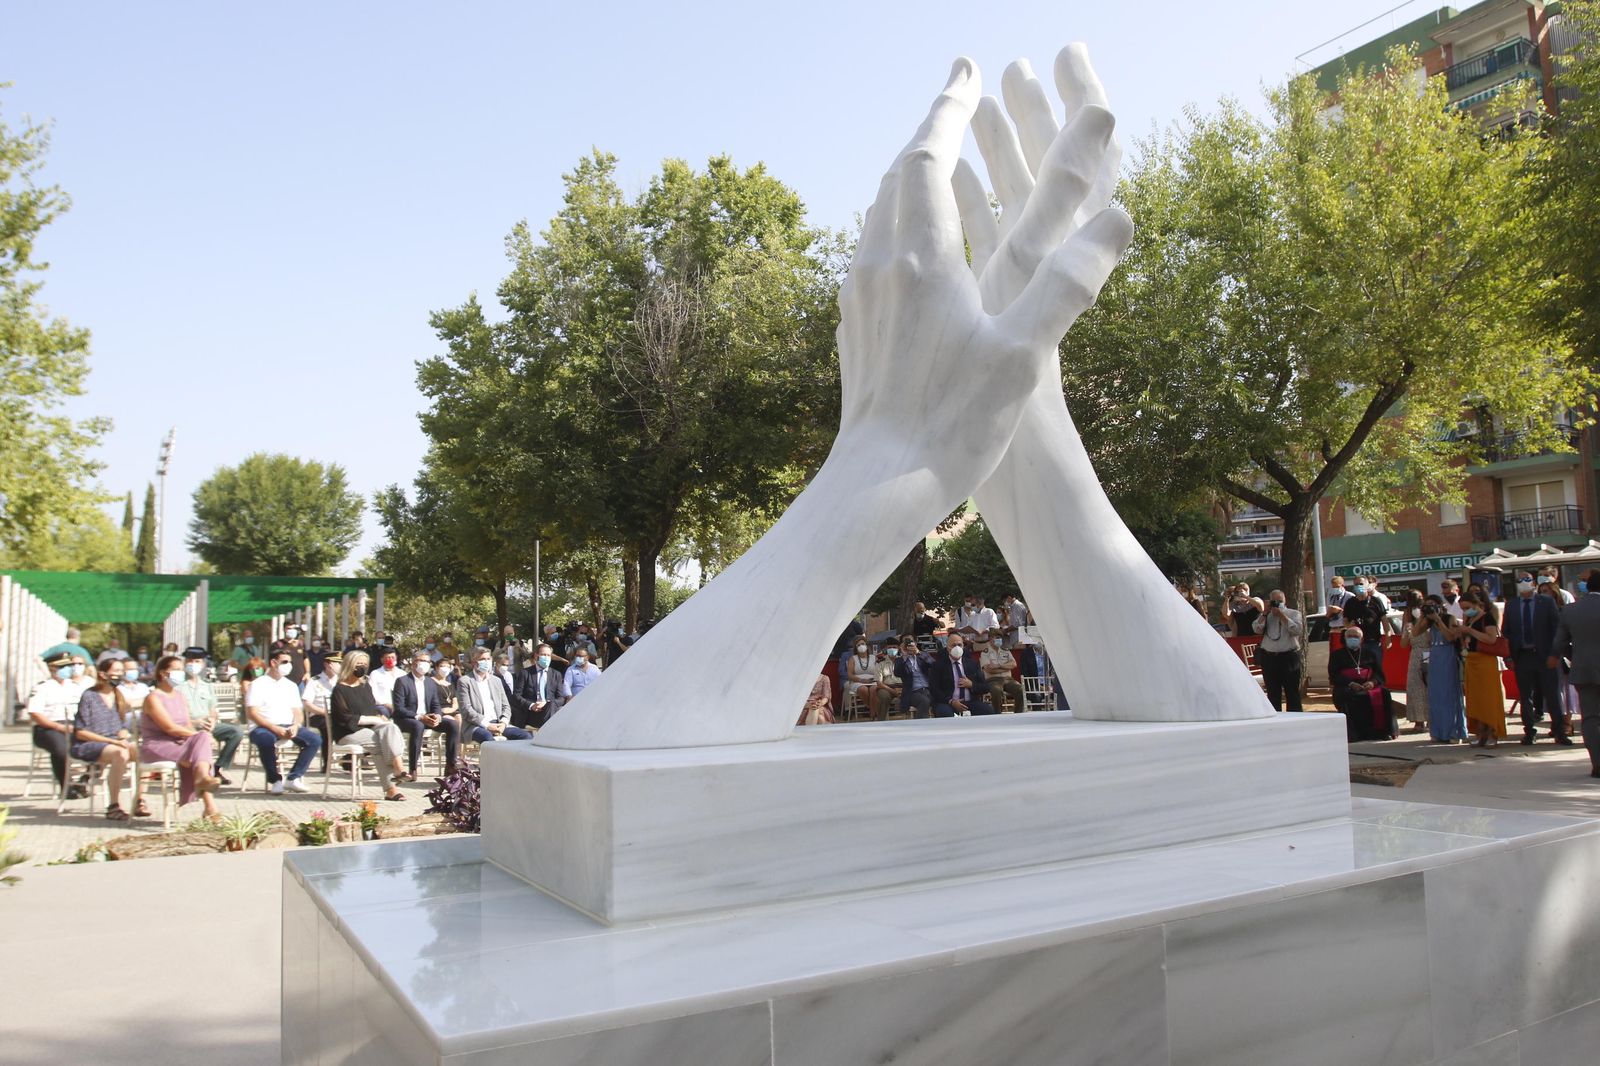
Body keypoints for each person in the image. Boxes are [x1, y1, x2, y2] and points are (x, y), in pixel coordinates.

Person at [139, 655, 222, 821]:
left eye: (181, 669)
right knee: (199, 748)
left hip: (178, 743)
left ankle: (204, 786)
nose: (180, 673)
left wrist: (198, 738)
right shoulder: (153, 697)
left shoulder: (179, 696)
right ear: (163, 673)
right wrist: (196, 737)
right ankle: (209, 803)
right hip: (157, 745)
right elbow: (169, 727)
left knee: (201, 742)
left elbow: (187, 725)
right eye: (176, 669)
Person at [71, 659, 147, 820]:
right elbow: (81, 732)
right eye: (116, 671)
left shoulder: (118, 695)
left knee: (145, 752)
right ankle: (113, 805)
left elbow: (120, 724)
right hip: (88, 744)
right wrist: (113, 742)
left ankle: (139, 800)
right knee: (120, 753)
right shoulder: (89, 696)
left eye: (121, 671)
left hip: (114, 741)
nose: (120, 675)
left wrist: (123, 732)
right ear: (103, 674)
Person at [326, 651, 406, 801]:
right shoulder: (339, 689)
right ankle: (391, 788)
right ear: (349, 665)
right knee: (379, 744)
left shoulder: (366, 686)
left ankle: (398, 766)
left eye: (364, 664)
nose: (362, 667)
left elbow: (370, 708)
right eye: (358, 664)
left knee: (391, 728)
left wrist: (379, 716)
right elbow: (344, 717)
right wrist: (372, 719)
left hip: (368, 728)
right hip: (347, 731)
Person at [1502, 570, 1568, 746]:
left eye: (1526, 579)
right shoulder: (1512, 605)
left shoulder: (1546, 602)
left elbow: (1557, 629)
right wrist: (1508, 657)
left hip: (1546, 656)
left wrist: (1555, 654)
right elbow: (1506, 632)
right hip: (1522, 656)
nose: (1523, 582)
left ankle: (1559, 732)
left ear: (1533, 583)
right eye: (1519, 580)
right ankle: (1529, 732)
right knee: (1526, 697)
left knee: (1553, 695)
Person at [244, 649, 322, 794]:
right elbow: (252, 713)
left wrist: (296, 725)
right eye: (284, 662)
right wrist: (274, 728)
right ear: (273, 663)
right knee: (266, 740)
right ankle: (275, 780)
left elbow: (297, 712)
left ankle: (293, 778)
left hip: (287, 725)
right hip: (262, 727)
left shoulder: (291, 685)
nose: (288, 666)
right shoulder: (258, 684)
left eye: (290, 662)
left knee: (314, 739)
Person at [1551, 569, 1600, 777]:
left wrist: (1575, 654)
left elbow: (1559, 643)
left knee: (1590, 718)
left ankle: (1597, 764)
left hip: (1584, 670)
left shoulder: (1570, 610)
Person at [180, 647, 245, 786]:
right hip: (188, 726)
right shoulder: (178, 687)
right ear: (185, 663)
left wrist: (212, 721)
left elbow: (213, 709)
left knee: (236, 732)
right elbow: (176, 715)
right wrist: (195, 722)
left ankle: (217, 768)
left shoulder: (207, 686)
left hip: (207, 724)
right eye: (190, 661)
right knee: (202, 737)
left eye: (197, 661)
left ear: (203, 664)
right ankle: (201, 772)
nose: (193, 664)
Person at [392, 650, 460, 779]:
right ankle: (413, 769)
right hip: (407, 719)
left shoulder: (430, 682)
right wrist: (419, 717)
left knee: (452, 724)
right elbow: (399, 708)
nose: (425, 664)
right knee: (418, 725)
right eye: (422, 661)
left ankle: (451, 766)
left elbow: (436, 704)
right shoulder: (402, 681)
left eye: (428, 662)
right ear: (413, 663)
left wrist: (438, 716)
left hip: (427, 718)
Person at [1328, 626, 1397, 742]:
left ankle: (1383, 732)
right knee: (1344, 695)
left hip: (1368, 685)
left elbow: (1378, 673)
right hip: (1347, 686)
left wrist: (1372, 682)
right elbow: (1334, 674)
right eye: (1350, 636)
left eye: (1356, 636)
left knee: (1384, 693)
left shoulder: (1370, 653)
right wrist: (1350, 683)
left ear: (1361, 639)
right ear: (1345, 638)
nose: (1352, 638)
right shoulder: (1337, 655)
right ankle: (1353, 734)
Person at [1459, 585, 1508, 748]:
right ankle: (1480, 734)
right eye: (1462, 609)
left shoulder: (1487, 618)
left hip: (1485, 662)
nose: (1465, 611)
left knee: (1488, 700)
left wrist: (1470, 631)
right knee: (1475, 701)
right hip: (1471, 661)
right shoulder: (1470, 619)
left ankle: (1492, 732)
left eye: (1467, 607)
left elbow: (1491, 639)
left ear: (1476, 604)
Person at [28, 652, 81, 794]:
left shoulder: (75, 687)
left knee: (100, 743)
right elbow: (35, 714)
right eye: (63, 667)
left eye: (69, 666)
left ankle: (83, 781)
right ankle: (66, 787)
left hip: (74, 725)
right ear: (52, 668)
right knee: (61, 749)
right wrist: (59, 727)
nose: (68, 669)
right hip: (48, 727)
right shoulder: (42, 688)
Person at [458, 648, 531, 742]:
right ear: (473, 662)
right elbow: (466, 710)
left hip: (499, 723)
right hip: (476, 725)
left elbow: (506, 706)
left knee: (526, 736)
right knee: (488, 738)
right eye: (482, 659)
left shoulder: (496, 681)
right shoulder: (465, 681)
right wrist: (487, 725)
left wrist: (503, 723)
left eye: (488, 659)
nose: (486, 662)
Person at [1252, 590, 1304, 714]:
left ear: (1285, 601)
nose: (1277, 603)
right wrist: (1265, 613)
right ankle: (1275, 717)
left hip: (1288, 656)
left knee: (1292, 692)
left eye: (1280, 601)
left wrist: (1282, 616)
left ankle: (1295, 718)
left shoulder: (1294, 614)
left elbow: (1297, 630)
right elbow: (1256, 629)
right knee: (1272, 692)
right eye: (1274, 601)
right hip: (1270, 658)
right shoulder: (1266, 616)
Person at [927, 633, 995, 717]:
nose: (957, 648)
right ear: (947, 647)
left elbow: (985, 687)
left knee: (988, 711)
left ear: (963, 646)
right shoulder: (938, 665)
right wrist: (951, 701)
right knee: (944, 713)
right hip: (947, 702)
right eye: (953, 645)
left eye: (959, 645)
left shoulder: (972, 664)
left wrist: (972, 685)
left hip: (970, 702)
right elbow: (934, 689)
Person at [301, 651, 342, 774]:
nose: (339, 666)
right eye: (337, 663)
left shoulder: (341, 681)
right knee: (327, 727)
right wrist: (324, 712)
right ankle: (327, 762)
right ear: (327, 664)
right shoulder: (315, 681)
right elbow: (307, 703)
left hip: (338, 715)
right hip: (319, 715)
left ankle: (348, 759)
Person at [511, 643, 564, 728]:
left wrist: (547, 703)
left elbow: (561, 698)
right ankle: (548, 729)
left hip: (549, 709)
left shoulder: (556, 674)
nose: (546, 657)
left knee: (551, 705)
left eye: (548, 655)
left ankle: (546, 728)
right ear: (536, 656)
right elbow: (516, 696)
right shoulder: (525, 673)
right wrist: (531, 705)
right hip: (531, 712)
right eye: (543, 655)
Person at [1402, 596, 1432, 733]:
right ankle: (1418, 721)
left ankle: (1431, 719)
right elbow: (1403, 645)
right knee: (1415, 687)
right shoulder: (1409, 624)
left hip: (1428, 653)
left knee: (1428, 686)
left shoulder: (1428, 622)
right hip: (1415, 655)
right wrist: (1406, 632)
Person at [976, 630, 1023, 712]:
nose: (999, 640)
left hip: (1008, 679)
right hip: (992, 680)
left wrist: (998, 666)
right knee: (996, 690)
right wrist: (1006, 668)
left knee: (1020, 689)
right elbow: (988, 670)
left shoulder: (1006, 651)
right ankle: (997, 714)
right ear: (990, 639)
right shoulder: (985, 653)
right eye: (997, 638)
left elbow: (1014, 664)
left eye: (1000, 638)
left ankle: (1018, 713)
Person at [892, 635, 935, 718]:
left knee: (939, 701)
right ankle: (921, 725)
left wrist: (918, 653)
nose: (908, 644)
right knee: (924, 701)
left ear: (915, 643)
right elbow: (897, 673)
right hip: (913, 692)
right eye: (905, 642)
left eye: (910, 641)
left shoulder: (923, 655)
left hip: (928, 689)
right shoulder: (900, 660)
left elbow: (934, 665)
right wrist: (904, 656)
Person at [1341, 579, 1386, 659]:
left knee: (1375, 664)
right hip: (1355, 642)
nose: (1359, 586)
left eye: (1361, 584)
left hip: (1373, 641)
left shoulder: (1376, 601)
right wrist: (1349, 625)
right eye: (1356, 584)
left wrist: (1388, 637)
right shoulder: (1350, 602)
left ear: (1367, 585)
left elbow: (1384, 620)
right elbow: (1345, 621)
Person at [842, 637, 879, 719]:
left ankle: (872, 713)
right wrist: (862, 680)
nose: (861, 646)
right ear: (856, 648)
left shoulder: (874, 657)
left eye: (862, 644)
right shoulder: (852, 659)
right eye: (858, 645)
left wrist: (874, 679)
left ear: (867, 645)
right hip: (857, 681)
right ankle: (873, 710)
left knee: (874, 689)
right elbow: (850, 675)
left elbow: (878, 671)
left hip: (872, 680)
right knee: (863, 689)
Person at [366, 645, 403, 716]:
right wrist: (385, 704)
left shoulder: (402, 673)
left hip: (399, 705)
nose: (391, 660)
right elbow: (372, 693)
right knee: (383, 711)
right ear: (382, 659)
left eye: (393, 657)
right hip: (383, 705)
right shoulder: (375, 674)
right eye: (388, 658)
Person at [872, 642, 902, 720]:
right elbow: (879, 683)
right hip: (886, 688)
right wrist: (893, 691)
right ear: (886, 649)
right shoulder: (880, 662)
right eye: (889, 647)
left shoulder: (903, 660)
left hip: (902, 687)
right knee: (883, 696)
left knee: (914, 694)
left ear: (898, 649)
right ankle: (881, 721)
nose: (892, 649)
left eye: (894, 647)